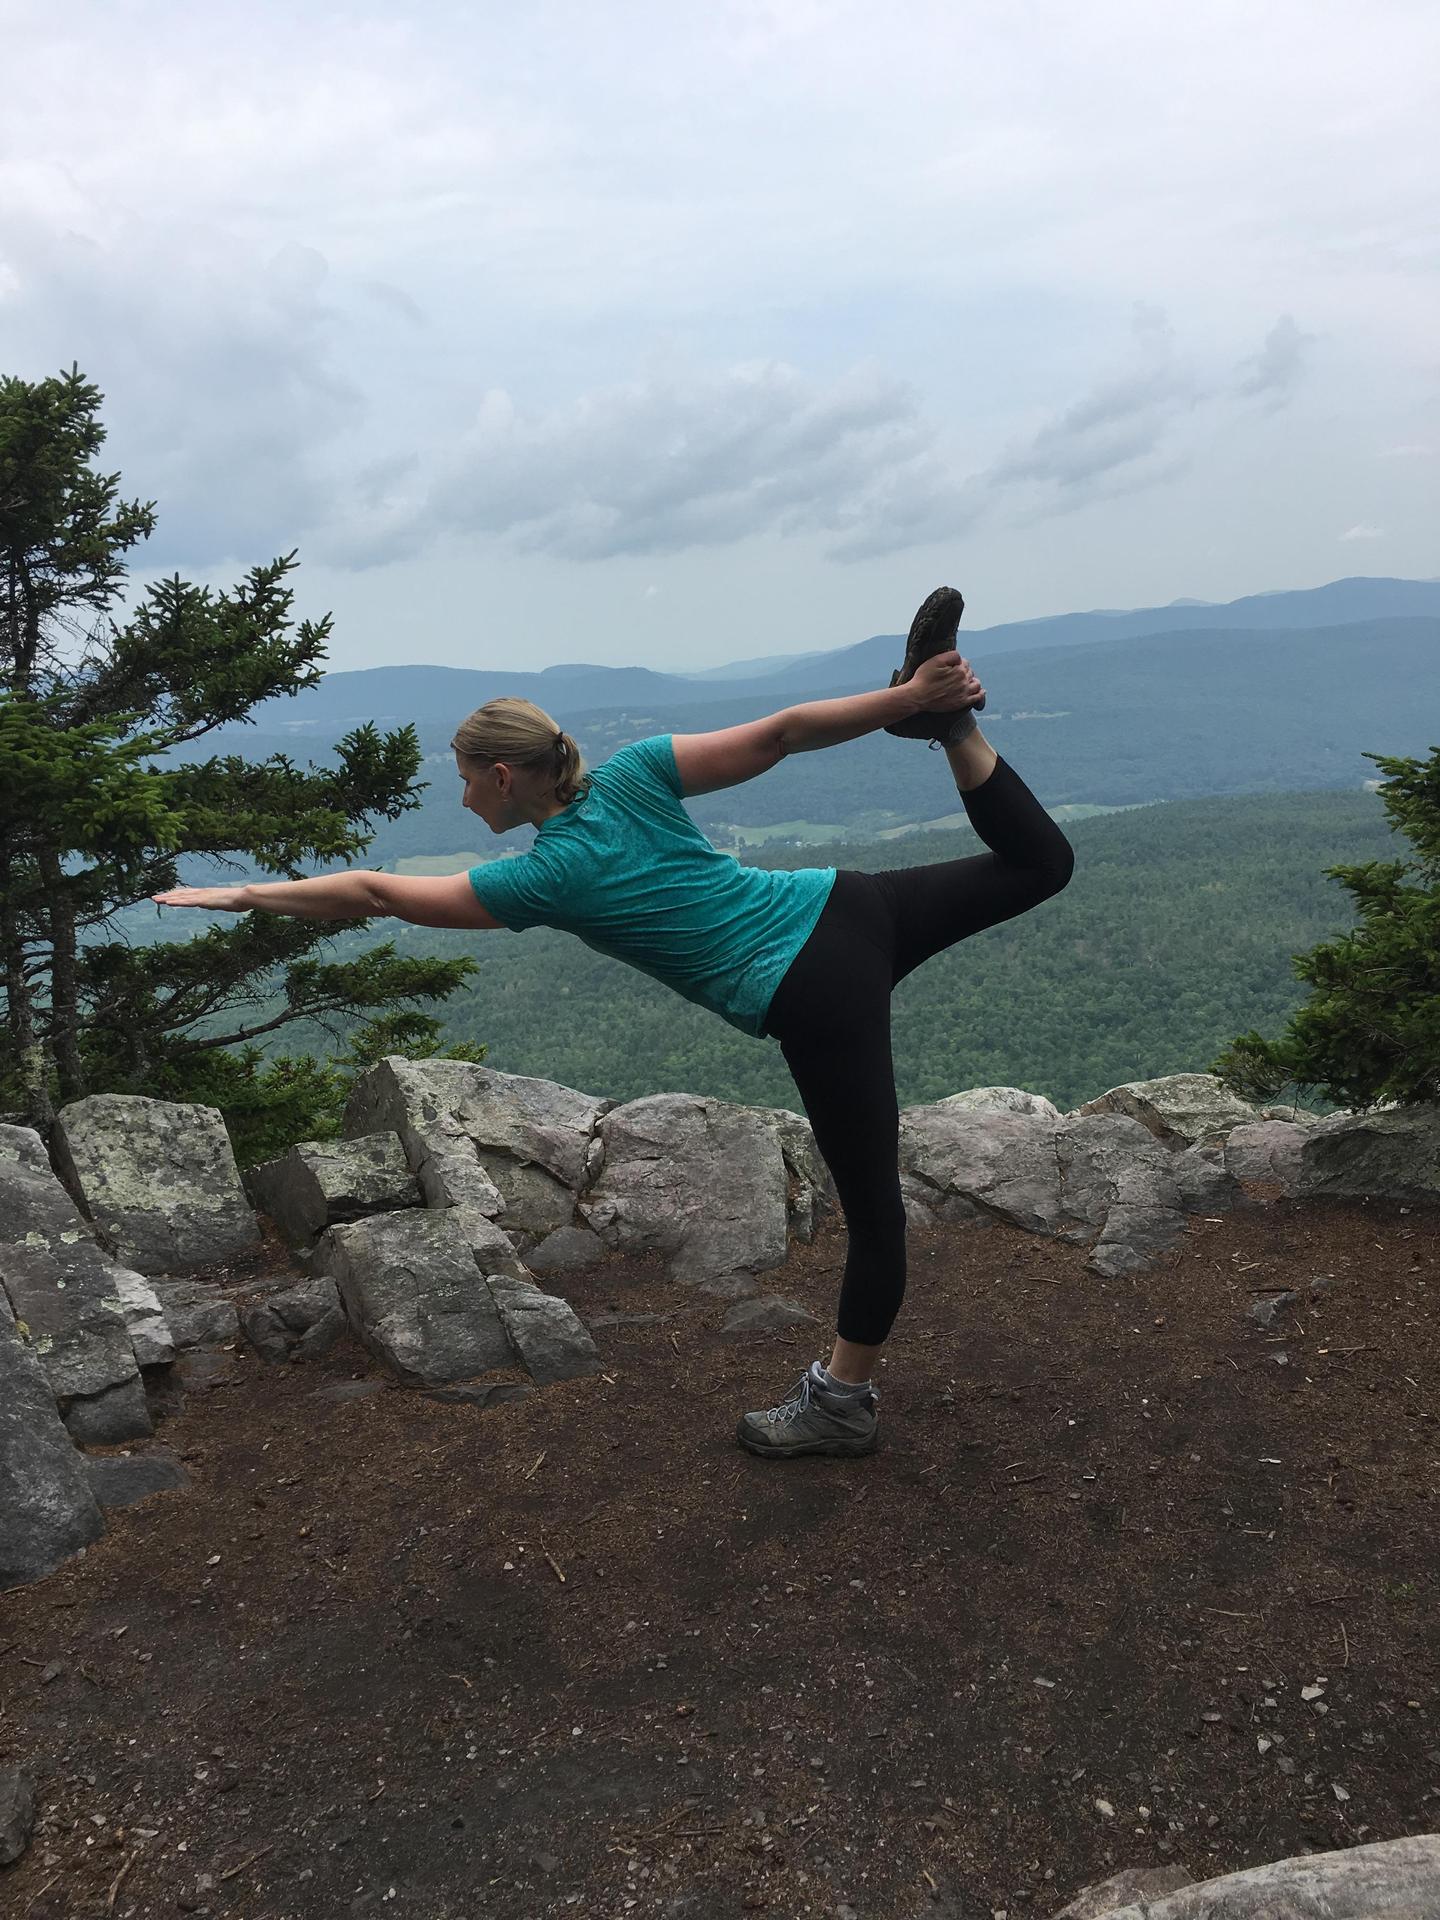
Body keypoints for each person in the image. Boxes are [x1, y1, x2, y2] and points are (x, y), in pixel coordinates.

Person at [153, 588, 1074, 1461]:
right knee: (1040, 863)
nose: (464, 796)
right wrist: (906, 699)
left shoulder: (539, 879)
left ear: (506, 777)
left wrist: (243, 896)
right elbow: (785, 735)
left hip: (811, 990)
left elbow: (374, 892)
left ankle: (840, 1407)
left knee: (875, 1215)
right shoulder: (635, 773)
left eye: (467, 780)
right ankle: (952, 729)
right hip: (848, 906)